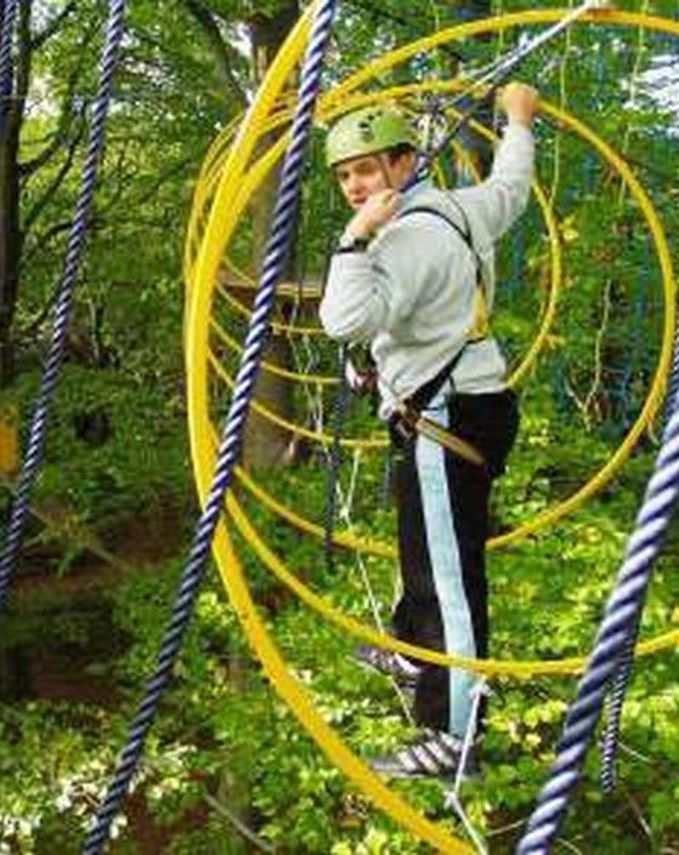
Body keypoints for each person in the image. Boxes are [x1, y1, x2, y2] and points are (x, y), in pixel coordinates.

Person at [318, 82, 538, 777]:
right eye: (345, 176)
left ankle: (455, 734)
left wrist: (353, 240)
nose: (355, 187)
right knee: (423, 544)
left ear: (406, 163)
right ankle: (415, 649)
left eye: (366, 169)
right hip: (465, 402)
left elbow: (344, 320)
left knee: (448, 575)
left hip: (447, 417)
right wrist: (519, 121)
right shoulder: (460, 207)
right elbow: (511, 187)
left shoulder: (404, 238)